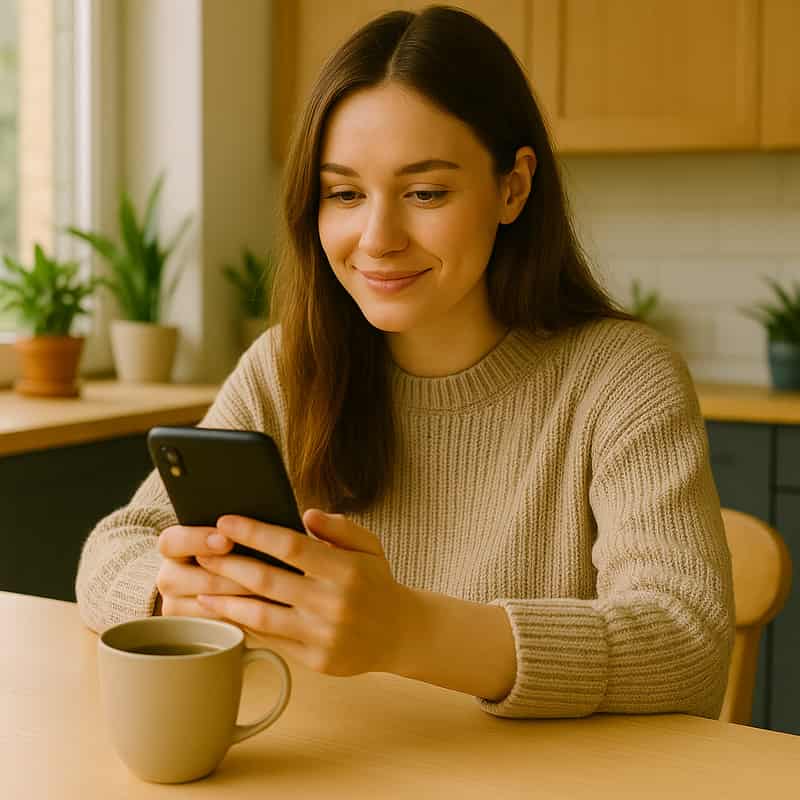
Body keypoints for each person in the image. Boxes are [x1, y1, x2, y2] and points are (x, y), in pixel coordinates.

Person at [76, 6, 734, 720]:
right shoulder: (289, 365)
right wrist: (173, 589)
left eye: (425, 193)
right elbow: (114, 549)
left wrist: (408, 633)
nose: (377, 237)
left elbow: (686, 642)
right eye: (345, 194)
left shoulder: (621, 379)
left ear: (513, 187)